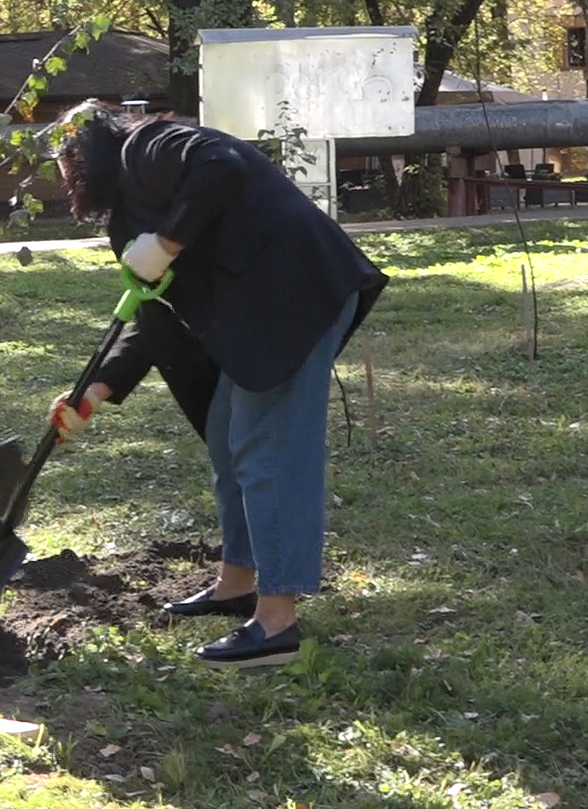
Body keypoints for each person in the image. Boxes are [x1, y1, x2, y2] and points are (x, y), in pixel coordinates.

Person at [45, 102, 388, 669]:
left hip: (297, 289)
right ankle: (238, 582)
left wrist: (168, 242)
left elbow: (223, 164)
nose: (63, 172)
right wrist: (95, 392)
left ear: (89, 149)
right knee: (229, 435)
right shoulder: (128, 216)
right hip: (258, 309)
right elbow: (154, 314)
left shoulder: (149, 144)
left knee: (266, 447)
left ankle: (277, 623)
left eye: (65, 156)